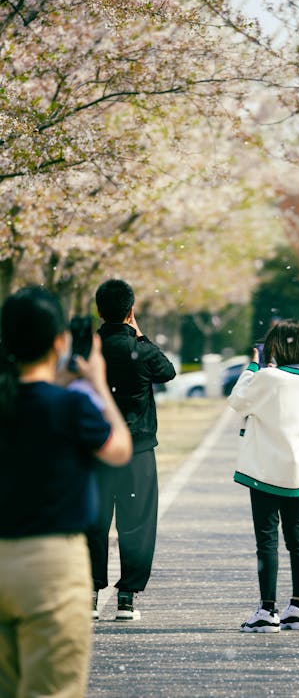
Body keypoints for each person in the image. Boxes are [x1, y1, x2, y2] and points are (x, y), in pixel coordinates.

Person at [0, 285, 132, 698]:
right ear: (59, 341)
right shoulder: (70, 408)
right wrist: (97, 381)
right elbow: (119, 450)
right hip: (50, 566)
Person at [228, 318, 299, 633]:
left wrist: (252, 367)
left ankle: (267, 610)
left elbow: (237, 400)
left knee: (266, 539)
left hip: (267, 467)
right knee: (297, 536)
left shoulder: (269, 377)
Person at [87, 279, 176, 621]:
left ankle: (90, 595)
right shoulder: (140, 349)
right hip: (137, 448)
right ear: (130, 311)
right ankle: (126, 598)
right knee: (136, 522)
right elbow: (167, 372)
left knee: (93, 521)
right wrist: (139, 334)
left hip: (96, 449)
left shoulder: (89, 349)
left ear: (98, 310)